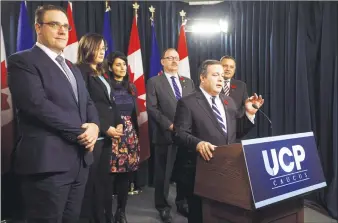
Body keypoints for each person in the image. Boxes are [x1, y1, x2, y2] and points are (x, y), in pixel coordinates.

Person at [7, 5, 100, 222]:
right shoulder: (22, 61)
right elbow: (37, 105)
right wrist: (82, 132)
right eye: (54, 24)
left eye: (66, 26)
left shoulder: (72, 67)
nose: (62, 31)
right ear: (38, 27)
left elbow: (87, 103)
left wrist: (95, 126)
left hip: (79, 162)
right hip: (48, 164)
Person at [173, 60, 264, 223]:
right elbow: (179, 133)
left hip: (226, 169)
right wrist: (198, 144)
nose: (221, 79)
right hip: (200, 170)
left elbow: (236, 132)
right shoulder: (187, 102)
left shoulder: (228, 102)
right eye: (215, 75)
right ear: (202, 78)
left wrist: (249, 114)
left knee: (222, 215)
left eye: (222, 76)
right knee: (200, 216)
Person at [76, 33, 124, 223]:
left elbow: (111, 103)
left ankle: (104, 217)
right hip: (95, 137)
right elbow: (86, 105)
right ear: (87, 47)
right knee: (92, 185)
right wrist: (105, 128)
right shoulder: (80, 71)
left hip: (107, 138)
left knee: (104, 183)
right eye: (99, 47)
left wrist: (119, 121)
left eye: (104, 48)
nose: (103, 51)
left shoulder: (101, 73)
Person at [146, 48, 195, 222]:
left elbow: (195, 106)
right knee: (163, 174)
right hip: (165, 135)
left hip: (187, 136)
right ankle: (163, 206)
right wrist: (170, 125)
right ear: (162, 61)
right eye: (170, 58)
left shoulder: (188, 82)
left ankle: (182, 202)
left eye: (176, 58)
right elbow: (152, 108)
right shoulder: (154, 82)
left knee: (184, 172)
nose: (174, 61)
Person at [106, 51, 141, 223]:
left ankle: (121, 212)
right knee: (108, 176)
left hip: (129, 135)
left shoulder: (131, 87)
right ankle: (105, 213)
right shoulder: (105, 84)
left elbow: (134, 113)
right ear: (111, 67)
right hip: (111, 134)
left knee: (125, 177)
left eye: (124, 65)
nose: (122, 68)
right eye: (118, 64)